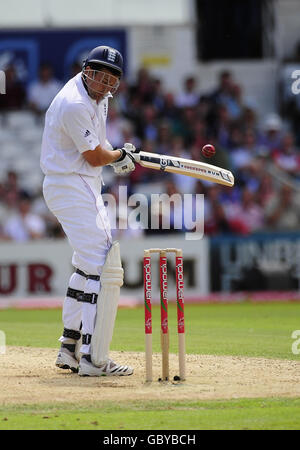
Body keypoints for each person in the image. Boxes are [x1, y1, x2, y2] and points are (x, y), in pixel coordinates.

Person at [41, 46, 138, 377]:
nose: (104, 84)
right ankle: (93, 357)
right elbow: (96, 157)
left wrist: (118, 155)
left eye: (111, 79)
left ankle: (69, 348)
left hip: (83, 184)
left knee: (87, 263)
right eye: (100, 75)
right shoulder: (75, 103)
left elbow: (101, 149)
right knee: (103, 263)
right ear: (87, 72)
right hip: (70, 184)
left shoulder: (102, 97)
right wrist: (119, 156)